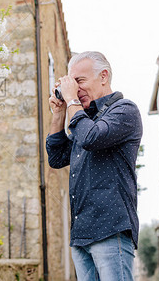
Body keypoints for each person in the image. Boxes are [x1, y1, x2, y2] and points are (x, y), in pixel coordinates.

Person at [45, 51, 143, 281]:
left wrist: (71, 102)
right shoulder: (84, 120)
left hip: (110, 230)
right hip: (81, 235)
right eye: (72, 83)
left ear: (103, 76)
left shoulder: (124, 110)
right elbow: (56, 157)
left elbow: (92, 138)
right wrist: (59, 113)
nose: (75, 90)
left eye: (79, 81)